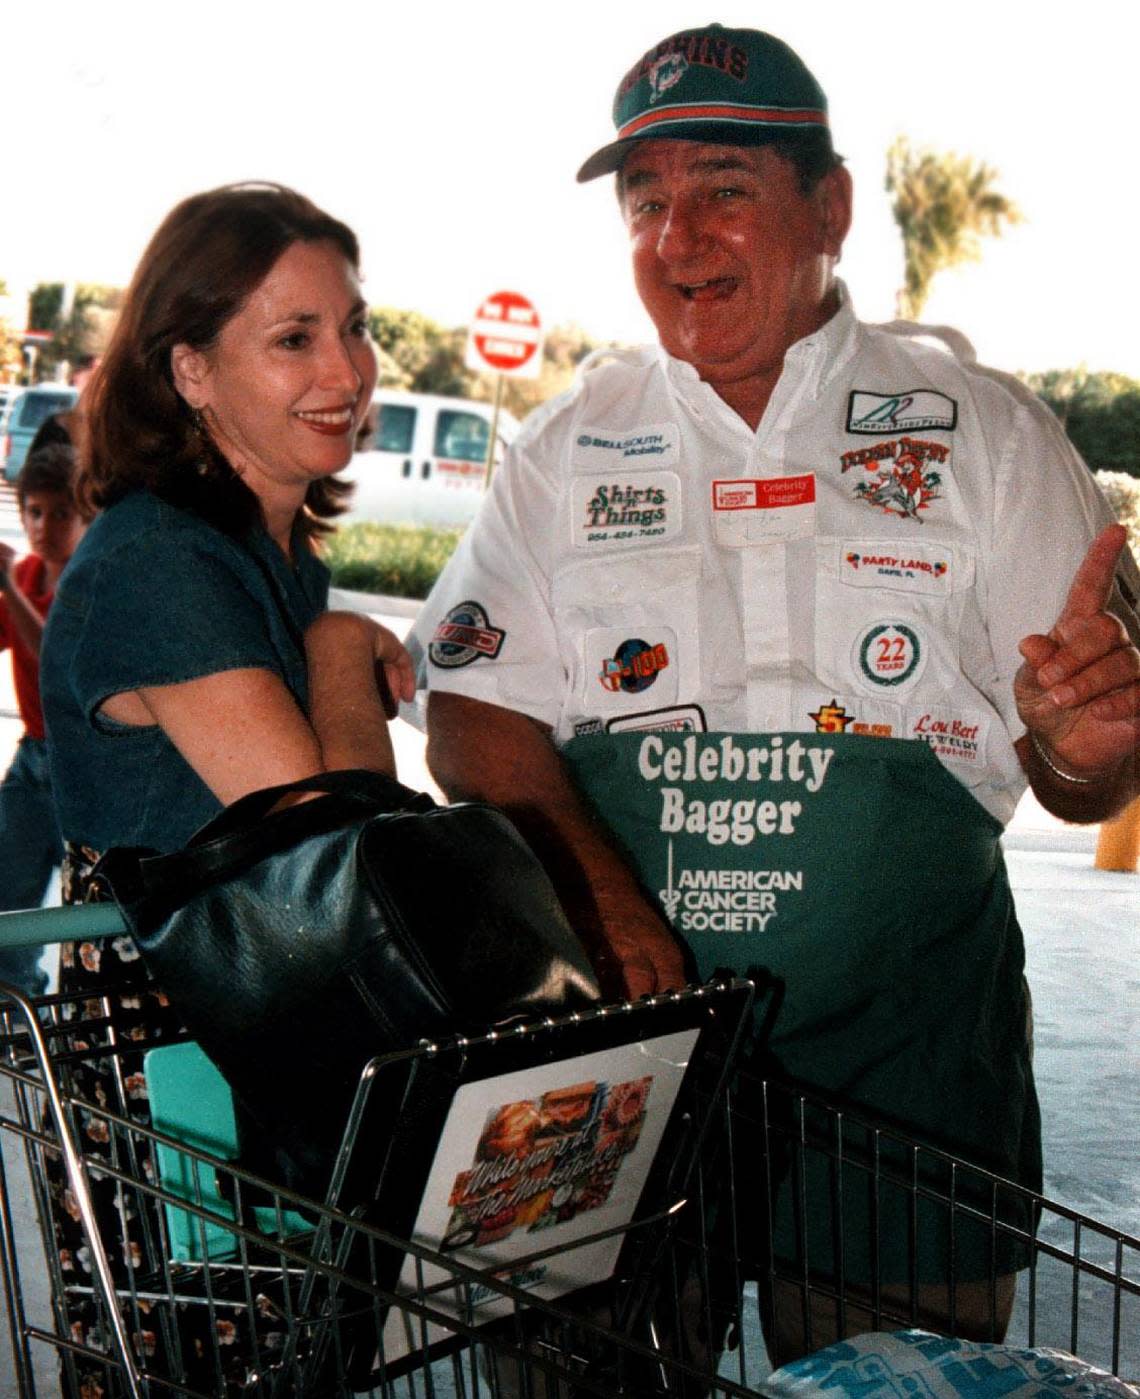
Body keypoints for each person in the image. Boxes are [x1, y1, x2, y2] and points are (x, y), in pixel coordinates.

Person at [407, 24, 1140, 1367]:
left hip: (909, 1073)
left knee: (899, 1382)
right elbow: (472, 702)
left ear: (833, 207)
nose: (678, 239)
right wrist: (602, 888)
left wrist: (1091, 755)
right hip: (630, 1061)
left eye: (724, 189)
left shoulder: (986, 433)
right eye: (646, 205)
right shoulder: (565, 448)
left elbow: (1078, 762)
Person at [39, 182, 412, 1395]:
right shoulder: (159, 558)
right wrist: (342, 653)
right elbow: (325, 848)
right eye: (293, 338)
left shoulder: (270, 554)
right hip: (180, 1052)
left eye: (352, 326)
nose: (346, 370)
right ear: (190, 370)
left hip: (258, 1041)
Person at [0, 444, 86, 994]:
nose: (43, 525)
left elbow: (51, 654)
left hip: (84, 768)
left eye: (60, 513)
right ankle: (16, 1002)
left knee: (88, 909)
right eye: (34, 511)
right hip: (35, 758)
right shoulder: (27, 572)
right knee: (9, 892)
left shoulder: (85, 582)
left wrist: (5, 587)